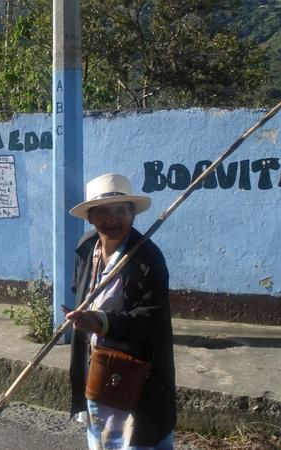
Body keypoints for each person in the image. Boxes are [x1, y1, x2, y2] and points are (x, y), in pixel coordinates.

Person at [65, 173, 176, 449]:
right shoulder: (85, 248)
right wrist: (83, 317)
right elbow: (77, 288)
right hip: (97, 368)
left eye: (120, 211)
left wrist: (102, 321)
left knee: (137, 438)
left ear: (132, 215)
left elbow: (152, 319)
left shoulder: (147, 258)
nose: (111, 219)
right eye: (102, 211)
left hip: (137, 373)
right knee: (102, 439)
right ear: (90, 217)